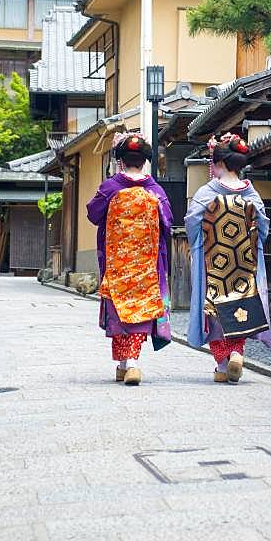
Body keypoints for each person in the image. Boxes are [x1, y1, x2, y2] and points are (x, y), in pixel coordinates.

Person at [185, 132, 271, 383]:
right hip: (245, 266)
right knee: (241, 307)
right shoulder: (251, 195)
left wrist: (200, 245)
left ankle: (223, 365)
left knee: (214, 312)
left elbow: (192, 221)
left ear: (219, 163)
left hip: (215, 264)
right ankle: (236, 352)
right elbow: (263, 226)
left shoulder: (207, 192)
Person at [86, 132, 173, 385]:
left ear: (120, 161)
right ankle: (127, 363)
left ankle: (130, 362)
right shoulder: (155, 190)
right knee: (141, 308)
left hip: (117, 264)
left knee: (119, 309)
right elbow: (168, 223)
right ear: (145, 161)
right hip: (147, 265)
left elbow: (93, 214)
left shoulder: (111, 187)